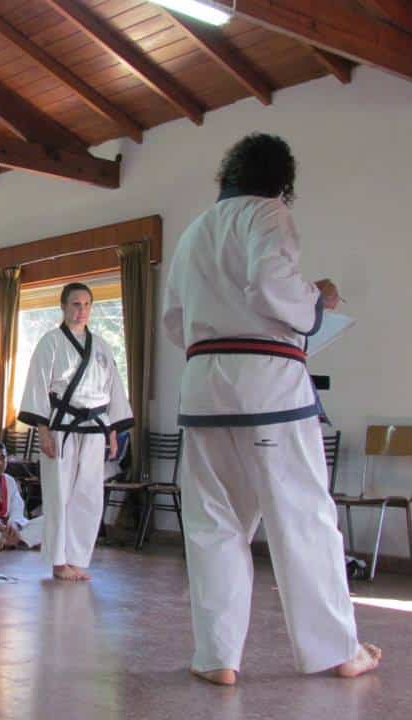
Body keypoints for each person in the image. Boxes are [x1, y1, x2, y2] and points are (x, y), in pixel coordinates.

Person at [162, 133, 380, 685]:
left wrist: (219, 332)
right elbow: (269, 284)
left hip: (204, 388)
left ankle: (217, 657)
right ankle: (337, 650)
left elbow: (173, 321)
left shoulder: (194, 231)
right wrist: (318, 301)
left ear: (227, 173)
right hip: (267, 390)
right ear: (282, 182)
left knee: (214, 523)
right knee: (301, 518)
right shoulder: (268, 213)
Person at [18, 282, 133, 581]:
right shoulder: (51, 342)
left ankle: (77, 558)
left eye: (86, 304)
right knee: (59, 494)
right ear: (63, 307)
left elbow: (113, 389)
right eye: (75, 304)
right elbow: (38, 385)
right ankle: (58, 562)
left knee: (89, 495)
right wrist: (43, 430)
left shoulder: (102, 346)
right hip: (61, 426)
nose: (81, 310)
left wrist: (112, 431)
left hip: (95, 427)